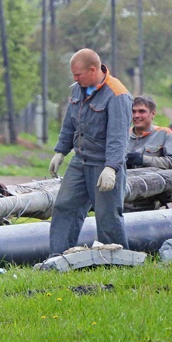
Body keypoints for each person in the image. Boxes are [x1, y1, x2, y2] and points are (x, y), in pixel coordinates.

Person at [48, 49, 133, 254]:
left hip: (104, 164)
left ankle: (116, 262)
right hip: (81, 161)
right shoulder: (78, 89)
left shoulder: (117, 94)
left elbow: (118, 136)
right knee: (64, 206)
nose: (75, 79)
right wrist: (61, 151)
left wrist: (111, 167)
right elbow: (69, 123)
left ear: (93, 70)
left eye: (78, 74)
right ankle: (58, 257)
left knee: (107, 215)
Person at [126, 96, 172, 170]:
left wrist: (143, 159)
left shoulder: (164, 134)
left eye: (142, 111)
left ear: (153, 113)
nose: (136, 115)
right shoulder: (123, 135)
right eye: (133, 111)